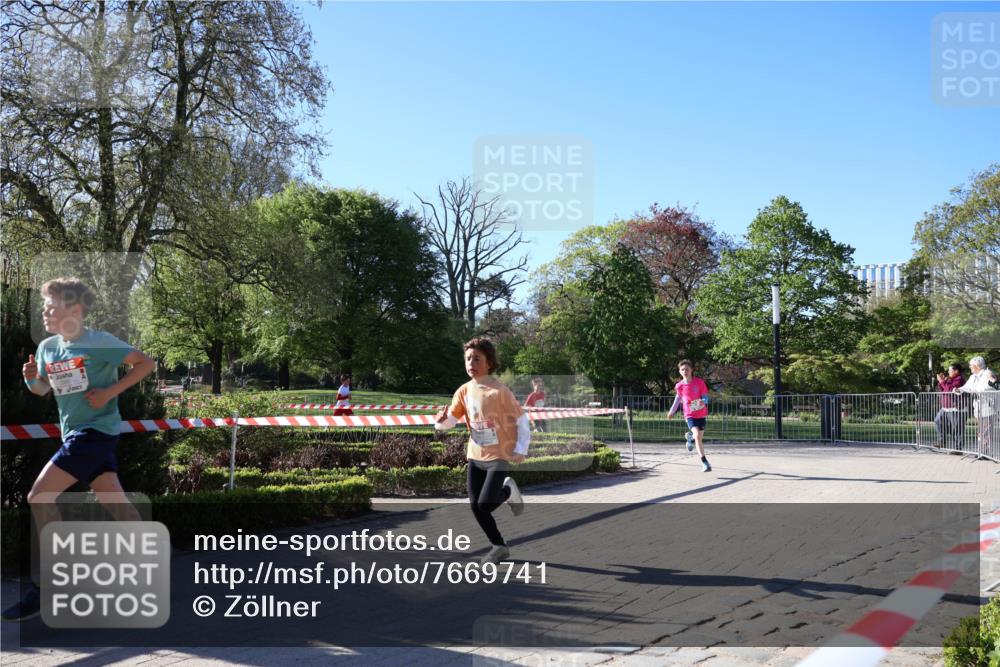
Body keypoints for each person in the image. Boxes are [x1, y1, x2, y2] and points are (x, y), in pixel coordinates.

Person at [2, 278, 156, 621]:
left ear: (75, 310)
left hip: (94, 434)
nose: (44, 312)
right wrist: (30, 378)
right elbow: (43, 390)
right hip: (75, 435)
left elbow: (146, 363)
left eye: (51, 306)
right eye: (43, 306)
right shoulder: (48, 348)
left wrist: (108, 392)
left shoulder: (99, 342)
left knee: (38, 496)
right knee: (117, 506)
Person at [435, 338, 529, 564]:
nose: (471, 363)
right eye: (468, 358)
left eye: (477, 358)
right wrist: (440, 422)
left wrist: (521, 448)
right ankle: (499, 547)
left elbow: (522, 420)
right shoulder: (463, 391)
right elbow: (451, 420)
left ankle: (507, 490)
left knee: (485, 504)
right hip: (475, 455)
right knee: (476, 507)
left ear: (489, 363)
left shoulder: (500, 391)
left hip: (499, 454)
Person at [666, 359, 712, 472]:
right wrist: (672, 411)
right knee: (697, 435)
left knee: (699, 439)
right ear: (680, 371)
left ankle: (690, 439)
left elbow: (705, 397)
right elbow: (678, 399)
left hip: (701, 414)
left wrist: (700, 403)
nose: (685, 371)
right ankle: (705, 462)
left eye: (687, 369)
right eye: (682, 369)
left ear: (692, 370)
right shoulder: (679, 386)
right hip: (689, 415)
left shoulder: (699, 382)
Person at [954, 356, 998, 457]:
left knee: (986, 430)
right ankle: (981, 451)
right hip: (978, 406)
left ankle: (984, 453)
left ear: (977, 366)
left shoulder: (987, 373)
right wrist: (959, 390)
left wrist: (976, 390)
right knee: (981, 430)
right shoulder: (973, 376)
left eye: (971, 365)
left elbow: (989, 386)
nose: (970, 367)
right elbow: (968, 387)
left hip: (988, 406)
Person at [934, 364, 966, 448]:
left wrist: (942, 381)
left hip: (956, 408)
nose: (948, 372)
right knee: (938, 421)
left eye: (950, 370)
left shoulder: (959, 379)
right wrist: (941, 381)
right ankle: (942, 442)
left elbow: (950, 389)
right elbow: (942, 389)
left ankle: (958, 448)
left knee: (957, 428)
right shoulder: (949, 379)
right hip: (945, 408)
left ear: (956, 371)